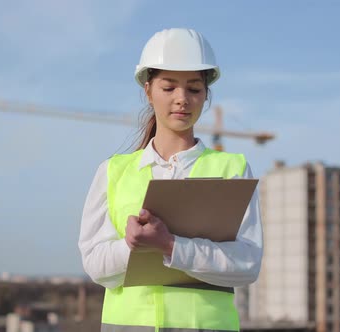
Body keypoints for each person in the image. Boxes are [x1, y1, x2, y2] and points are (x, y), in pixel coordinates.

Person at [78, 28, 263, 332]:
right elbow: (96, 266)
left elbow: (247, 264)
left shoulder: (232, 168)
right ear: (148, 90)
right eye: (169, 88)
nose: (182, 100)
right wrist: (133, 246)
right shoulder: (113, 171)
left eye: (194, 89)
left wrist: (170, 246)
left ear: (206, 94)